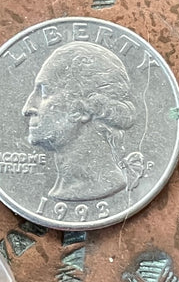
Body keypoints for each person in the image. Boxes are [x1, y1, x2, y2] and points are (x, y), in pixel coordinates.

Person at [21, 41, 143, 201]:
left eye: (44, 92)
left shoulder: (103, 185)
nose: (27, 108)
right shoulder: (64, 187)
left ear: (83, 108)